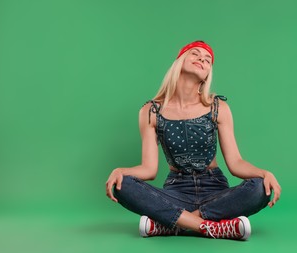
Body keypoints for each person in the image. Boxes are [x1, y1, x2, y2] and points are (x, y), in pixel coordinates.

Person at [105, 40, 281, 240]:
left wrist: (264, 173)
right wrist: (121, 171)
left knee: (260, 187)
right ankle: (211, 227)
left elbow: (236, 163)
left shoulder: (218, 107)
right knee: (122, 185)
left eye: (207, 60)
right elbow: (149, 169)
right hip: (177, 192)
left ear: (208, 74)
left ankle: (174, 224)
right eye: (195, 54)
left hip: (215, 191)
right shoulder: (151, 111)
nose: (201, 59)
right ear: (180, 61)